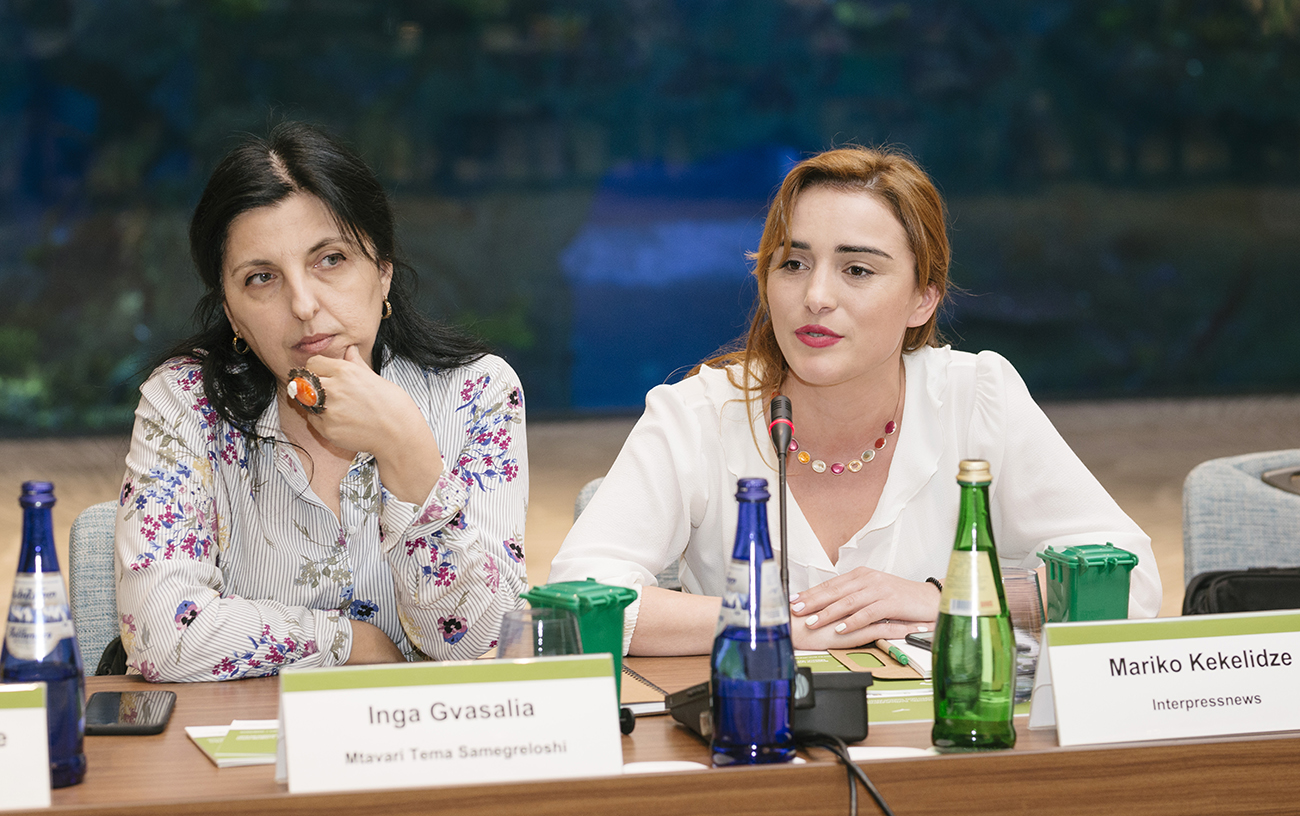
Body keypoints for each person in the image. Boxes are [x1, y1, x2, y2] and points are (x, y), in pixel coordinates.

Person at [548, 145, 1161, 656]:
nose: (816, 296)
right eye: (794, 264)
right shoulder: (697, 415)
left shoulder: (977, 397)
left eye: (858, 270)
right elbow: (575, 604)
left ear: (923, 299)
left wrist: (949, 599)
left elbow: (1130, 584)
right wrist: (773, 622)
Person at [114, 123, 527, 681]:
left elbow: (487, 641)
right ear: (232, 312)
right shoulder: (184, 403)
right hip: (256, 735)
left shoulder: (476, 393)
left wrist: (404, 447)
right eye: (262, 278)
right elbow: (160, 636)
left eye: (330, 259)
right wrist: (346, 642)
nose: (304, 305)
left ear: (382, 270)